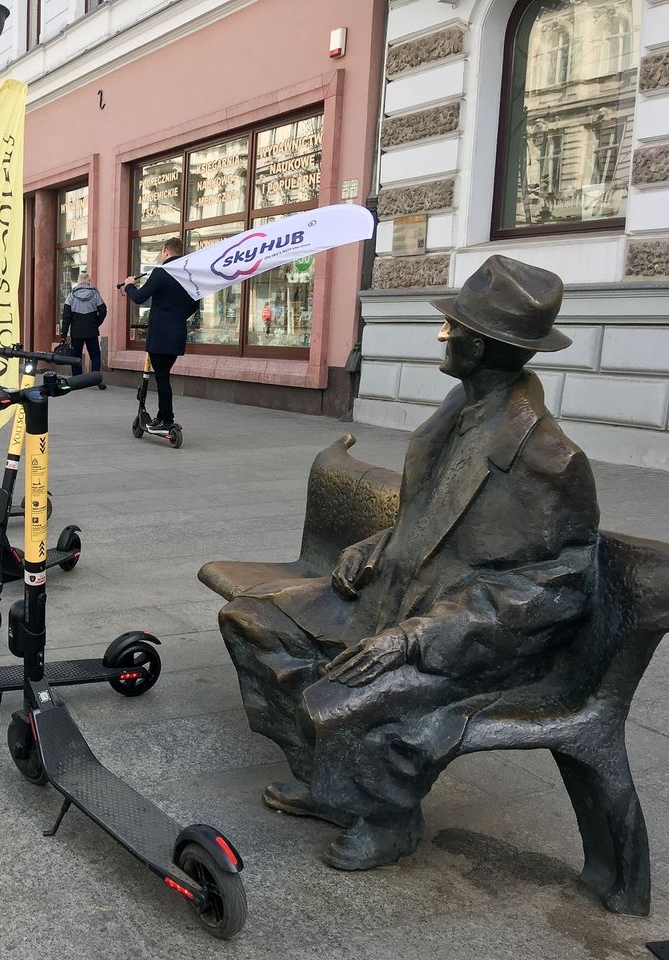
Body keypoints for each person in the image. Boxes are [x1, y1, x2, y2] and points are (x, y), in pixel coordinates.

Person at [218, 256, 597, 872]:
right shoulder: (457, 413)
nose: (444, 335)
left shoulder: (548, 457)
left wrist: (416, 637)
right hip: (393, 594)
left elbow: (558, 586)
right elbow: (438, 517)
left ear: (486, 347)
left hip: (464, 635)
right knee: (251, 620)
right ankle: (334, 786)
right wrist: (380, 543)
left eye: (457, 329)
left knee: (335, 700)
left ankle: (389, 819)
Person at [122, 238, 199, 427]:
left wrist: (129, 285)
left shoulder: (161, 272)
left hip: (160, 336)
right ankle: (162, 416)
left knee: (162, 378)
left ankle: (167, 418)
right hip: (177, 335)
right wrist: (177, 317)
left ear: (166, 251)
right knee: (163, 375)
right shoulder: (187, 274)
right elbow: (195, 303)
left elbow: (140, 297)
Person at [61, 272, 107, 387]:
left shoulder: (71, 296)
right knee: (95, 355)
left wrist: (63, 334)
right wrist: (96, 323)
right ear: (88, 281)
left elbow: (66, 317)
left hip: (76, 331)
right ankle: (96, 379)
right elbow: (103, 311)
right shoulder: (95, 294)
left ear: (79, 281)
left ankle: (77, 380)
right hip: (91, 330)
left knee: (76, 356)